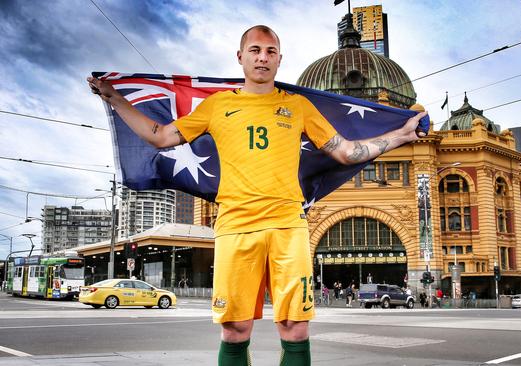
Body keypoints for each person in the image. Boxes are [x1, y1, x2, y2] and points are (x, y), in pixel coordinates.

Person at [87, 25, 426, 366]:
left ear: (279, 59)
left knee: (295, 328)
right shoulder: (217, 106)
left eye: (270, 51)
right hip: (236, 227)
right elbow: (160, 136)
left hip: (288, 227)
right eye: (255, 50)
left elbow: (347, 151)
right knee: (234, 329)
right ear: (241, 57)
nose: (263, 57)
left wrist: (400, 135)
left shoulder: (299, 106)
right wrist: (114, 98)